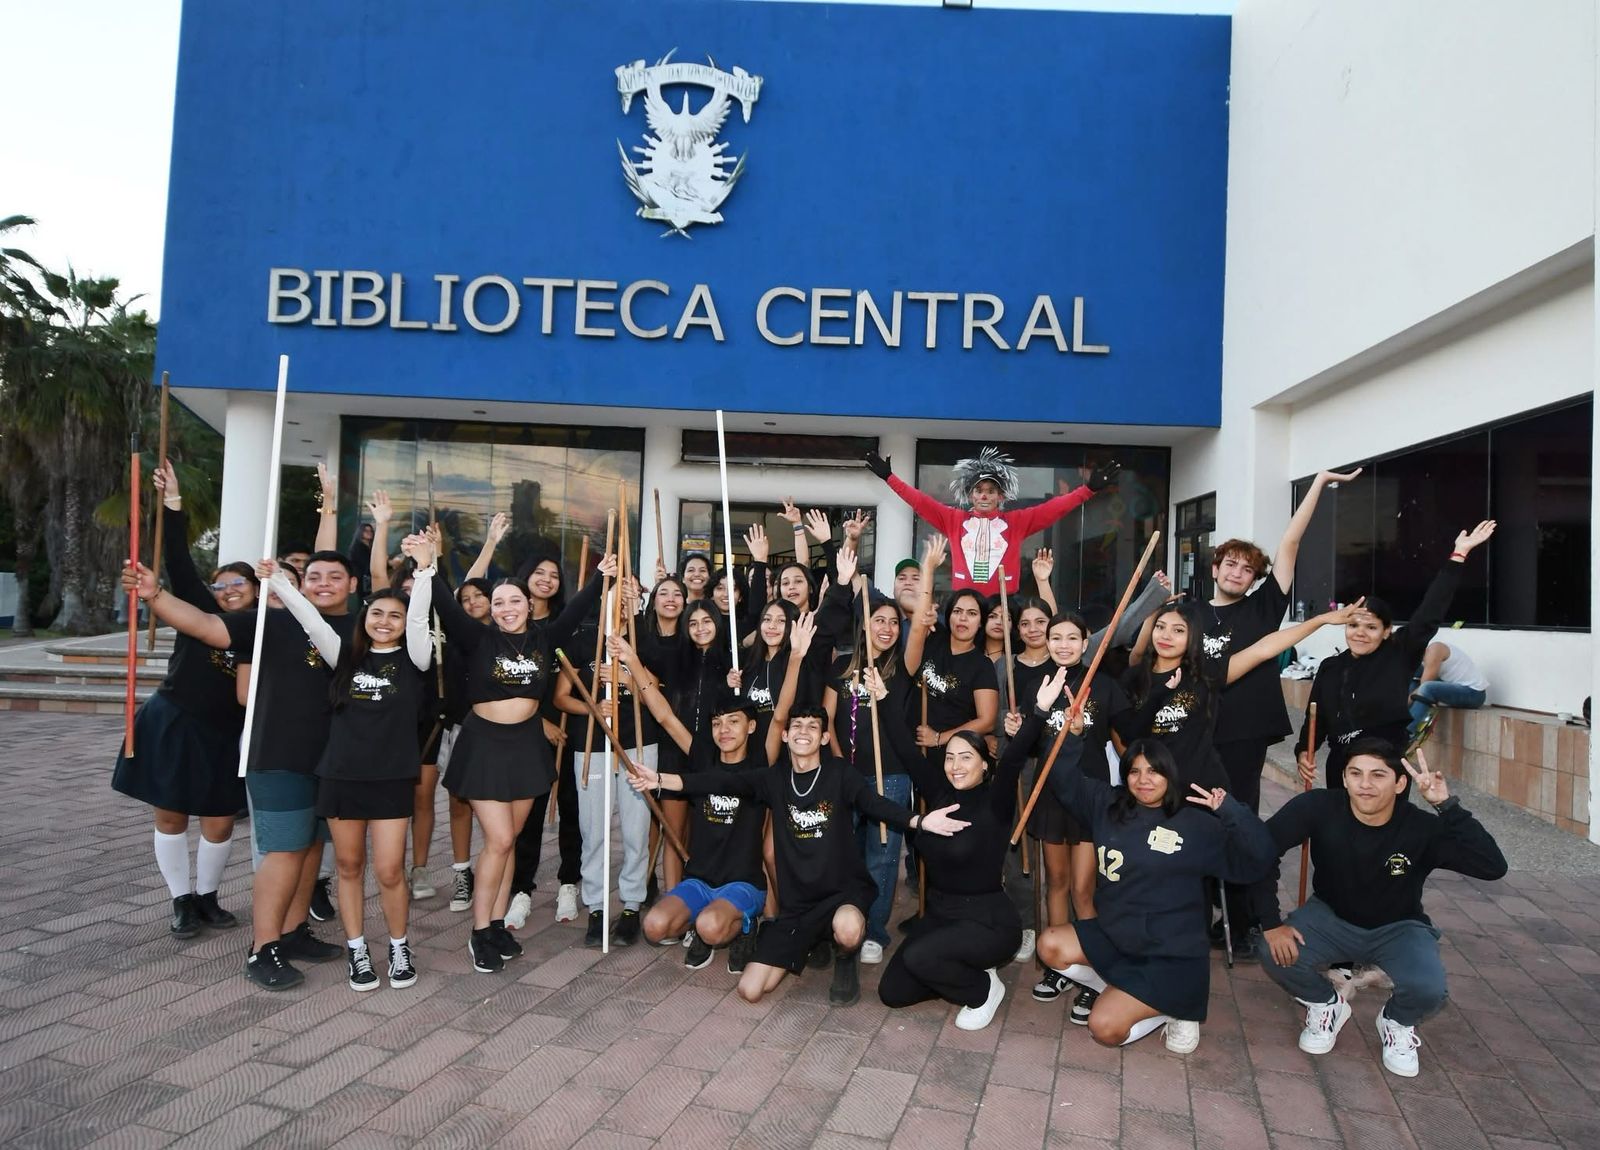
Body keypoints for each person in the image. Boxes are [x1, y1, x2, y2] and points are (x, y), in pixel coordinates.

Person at [629, 701, 969, 1008]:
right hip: (799, 905)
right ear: (786, 735)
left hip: (841, 893)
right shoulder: (774, 779)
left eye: (812, 727)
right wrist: (659, 779)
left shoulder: (840, 774)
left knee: (848, 928)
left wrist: (920, 821)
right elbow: (717, 782)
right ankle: (809, 942)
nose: (803, 732)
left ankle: (845, 956)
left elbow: (875, 804)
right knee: (750, 990)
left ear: (824, 738)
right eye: (797, 726)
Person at [129, 549, 362, 989]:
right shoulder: (271, 622)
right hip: (278, 758)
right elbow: (205, 625)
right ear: (301, 584)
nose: (324, 583)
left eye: (335, 576)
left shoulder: (361, 628)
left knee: (312, 847)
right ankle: (263, 948)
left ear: (352, 585)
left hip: (334, 763)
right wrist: (155, 595)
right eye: (314, 576)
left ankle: (293, 932)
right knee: (285, 850)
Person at [1033, 676, 1277, 1053]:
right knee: (1049, 945)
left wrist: (1232, 811)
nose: (1143, 780)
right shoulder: (1107, 805)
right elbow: (1062, 778)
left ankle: (1171, 1009)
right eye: (1135, 771)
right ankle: (1121, 990)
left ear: (1170, 775)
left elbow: (1259, 858)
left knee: (1103, 1028)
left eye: (1154, 771)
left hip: (1169, 953)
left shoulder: (1196, 825)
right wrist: (1073, 734)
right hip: (1116, 935)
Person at [1251, 740, 1507, 1077]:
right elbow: (1259, 852)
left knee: (1428, 989)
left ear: (1399, 784)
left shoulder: (1421, 827)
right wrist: (1271, 923)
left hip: (1398, 927)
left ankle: (1396, 1021)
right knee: (1272, 951)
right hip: (1330, 917)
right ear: (1344, 778)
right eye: (1355, 773)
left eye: (1378, 775)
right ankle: (1326, 1004)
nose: (1365, 784)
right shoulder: (1317, 807)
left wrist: (1447, 806)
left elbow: (1492, 866)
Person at [260, 531, 436, 991]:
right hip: (341, 777)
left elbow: (421, 618)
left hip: (392, 779)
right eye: (376, 613)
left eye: (394, 616)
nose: (385, 621)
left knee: (390, 870)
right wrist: (277, 581)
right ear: (364, 617)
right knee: (349, 867)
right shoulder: (343, 656)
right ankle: (358, 950)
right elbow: (309, 618)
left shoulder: (416, 661)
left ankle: (399, 947)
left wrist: (425, 570)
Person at [432, 546, 614, 973]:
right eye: (498, 603)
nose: (507, 608)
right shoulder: (478, 638)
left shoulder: (545, 638)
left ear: (530, 605)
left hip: (526, 746)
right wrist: (427, 567)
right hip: (484, 746)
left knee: (509, 840)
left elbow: (578, 607)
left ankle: (496, 924)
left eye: (515, 601)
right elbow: (446, 605)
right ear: (491, 610)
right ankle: (480, 932)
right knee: (498, 840)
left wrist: (600, 576)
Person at [112, 461, 252, 939]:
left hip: (226, 734)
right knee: (171, 814)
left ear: (257, 591)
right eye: (221, 584)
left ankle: (208, 896)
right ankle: (181, 900)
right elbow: (178, 560)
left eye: (239, 584)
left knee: (219, 820)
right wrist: (172, 503)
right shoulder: (201, 608)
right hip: (175, 720)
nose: (228, 591)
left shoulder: (267, 628)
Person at [616, 625, 803, 971]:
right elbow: (665, 716)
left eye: (734, 722)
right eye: (717, 723)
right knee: (654, 926)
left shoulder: (761, 764)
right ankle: (705, 920)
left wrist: (795, 659)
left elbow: (779, 717)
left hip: (742, 884)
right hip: (699, 881)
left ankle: (745, 925)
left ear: (750, 727)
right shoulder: (702, 756)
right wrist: (632, 661)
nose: (724, 730)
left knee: (710, 927)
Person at [873, 665, 1043, 1030]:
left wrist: (1040, 712)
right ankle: (959, 967)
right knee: (893, 992)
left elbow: (1014, 758)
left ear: (984, 764)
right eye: (950, 757)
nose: (955, 765)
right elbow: (906, 751)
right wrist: (883, 699)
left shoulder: (995, 801)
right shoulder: (939, 794)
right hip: (941, 915)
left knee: (920, 957)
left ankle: (983, 989)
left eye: (966, 757)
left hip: (989, 922)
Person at [1296, 522, 1497, 788]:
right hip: (1342, 769)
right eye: (1353, 625)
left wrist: (1458, 555)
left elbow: (1429, 613)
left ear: (1386, 631)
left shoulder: (1398, 654)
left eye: (1371, 627)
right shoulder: (1330, 667)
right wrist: (1303, 751)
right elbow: (1316, 718)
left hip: (1386, 769)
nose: (1360, 633)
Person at [1012, 611, 1134, 1014]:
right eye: (1055, 638)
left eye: (1071, 638)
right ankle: (1059, 967)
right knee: (1057, 882)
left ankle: (1093, 970)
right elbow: (1032, 741)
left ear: (1086, 644)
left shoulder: (1105, 684)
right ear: (1046, 643)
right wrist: (1019, 728)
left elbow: (1129, 734)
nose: (1063, 645)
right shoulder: (1037, 685)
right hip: (1050, 793)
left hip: (1089, 794)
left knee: (1084, 889)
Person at [819, 545, 914, 964]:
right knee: (849, 854)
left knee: (883, 856)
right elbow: (826, 717)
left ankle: (875, 931)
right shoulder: (841, 668)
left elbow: (917, 628)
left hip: (890, 776)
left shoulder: (902, 667)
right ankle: (847, 922)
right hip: (847, 774)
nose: (887, 628)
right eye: (879, 620)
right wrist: (838, 761)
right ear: (865, 624)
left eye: (894, 622)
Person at [865, 446, 1113, 593]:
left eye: (991, 491)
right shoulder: (954, 519)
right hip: (963, 607)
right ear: (970, 495)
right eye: (979, 490)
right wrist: (889, 478)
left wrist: (1088, 490)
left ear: (1000, 496)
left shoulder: (1015, 522)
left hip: (1002, 607)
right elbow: (920, 502)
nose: (984, 495)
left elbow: (1053, 509)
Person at [1408, 639, 1489, 741]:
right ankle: (1400, 722)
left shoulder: (1434, 650)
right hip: (1455, 687)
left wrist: (1405, 702)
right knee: (1414, 676)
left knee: (1427, 688)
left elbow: (1423, 687)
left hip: (1474, 693)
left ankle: (1407, 732)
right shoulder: (1420, 659)